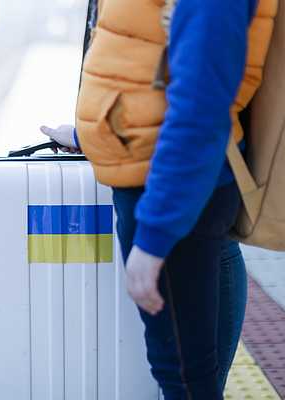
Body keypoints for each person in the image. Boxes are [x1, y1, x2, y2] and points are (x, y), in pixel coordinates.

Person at [40, 0, 276, 398]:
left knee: (183, 375)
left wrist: (155, 235)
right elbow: (146, 53)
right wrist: (94, 132)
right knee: (191, 372)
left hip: (168, 179)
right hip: (166, 168)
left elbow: (202, 97)